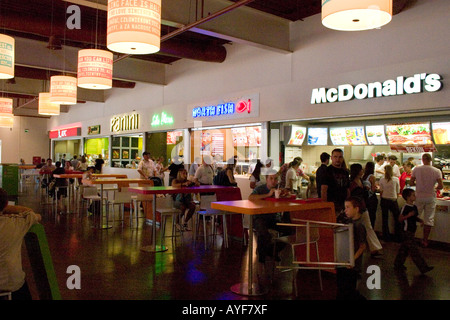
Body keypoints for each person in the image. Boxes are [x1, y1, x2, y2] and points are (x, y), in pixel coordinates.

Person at [0, 188, 42, 300]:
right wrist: (6, 208)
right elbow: (33, 214)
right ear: (5, 204)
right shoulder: (16, 223)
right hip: (10, 285)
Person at [249, 170, 292, 263]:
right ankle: (262, 255)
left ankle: (271, 250)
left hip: (274, 218)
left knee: (290, 230)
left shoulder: (279, 189)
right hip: (260, 217)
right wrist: (268, 195)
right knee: (264, 233)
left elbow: (288, 198)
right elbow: (250, 197)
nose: (273, 181)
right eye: (271, 178)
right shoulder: (260, 189)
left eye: (275, 178)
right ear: (267, 179)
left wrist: (285, 195)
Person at [394, 188, 434, 274]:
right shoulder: (405, 207)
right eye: (413, 195)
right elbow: (400, 219)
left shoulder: (414, 206)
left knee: (404, 249)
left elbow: (414, 217)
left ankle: (398, 263)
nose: (415, 196)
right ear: (408, 197)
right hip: (407, 230)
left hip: (411, 230)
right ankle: (423, 267)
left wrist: (420, 220)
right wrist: (408, 215)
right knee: (414, 250)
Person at [409, 153, 444, 248]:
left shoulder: (416, 169)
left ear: (422, 159)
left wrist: (419, 185)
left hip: (419, 196)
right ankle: (425, 241)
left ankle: (411, 238)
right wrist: (434, 188)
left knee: (415, 217)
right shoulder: (436, 171)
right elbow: (441, 186)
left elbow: (411, 182)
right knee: (429, 220)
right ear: (430, 160)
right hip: (430, 197)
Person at [349, 163, 382, 257]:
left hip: (361, 207)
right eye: (361, 169)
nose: (363, 171)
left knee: (367, 227)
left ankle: (373, 248)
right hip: (358, 207)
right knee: (367, 227)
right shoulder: (355, 182)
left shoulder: (358, 181)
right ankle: (373, 248)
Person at [336, 197, 367, 300]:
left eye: (348, 207)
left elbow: (363, 246)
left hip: (352, 264)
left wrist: (352, 259)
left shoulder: (359, 226)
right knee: (343, 289)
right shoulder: (349, 222)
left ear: (356, 209)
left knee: (348, 291)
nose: (345, 210)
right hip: (346, 261)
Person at [320, 149, 350, 216]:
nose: (337, 159)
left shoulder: (345, 172)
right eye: (335, 157)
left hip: (343, 205)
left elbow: (347, 189)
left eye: (340, 157)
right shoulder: (327, 171)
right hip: (332, 204)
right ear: (331, 158)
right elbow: (323, 190)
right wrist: (325, 205)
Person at [379, 165, 401, 242]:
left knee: (385, 219)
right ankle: (397, 236)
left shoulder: (382, 179)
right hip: (393, 200)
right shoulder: (396, 179)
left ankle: (386, 236)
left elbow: (381, 191)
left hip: (384, 200)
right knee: (397, 218)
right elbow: (398, 191)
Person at [362, 161, 378, 228]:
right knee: (372, 216)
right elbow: (373, 189)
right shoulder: (372, 177)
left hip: (366, 198)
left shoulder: (363, 176)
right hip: (372, 198)